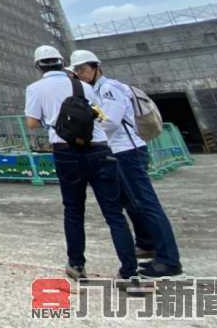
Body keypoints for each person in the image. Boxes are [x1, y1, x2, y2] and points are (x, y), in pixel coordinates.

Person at [24, 45, 142, 292]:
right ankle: (130, 274)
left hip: (66, 151)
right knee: (114, 213)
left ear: (38, 66)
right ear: (61, 63)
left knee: (73, 209)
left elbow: (32, 123)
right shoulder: (84, 87)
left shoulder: (35, 89)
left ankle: (76, 264)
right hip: (98, 148)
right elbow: (100, 116)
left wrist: (53, 121)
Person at [69, 50, 183, 278]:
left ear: (95, 67)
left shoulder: (108, 88)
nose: (80, 74)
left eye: (83, 69)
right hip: (117, 151)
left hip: (128, 151)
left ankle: (169, 260)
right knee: (133, 202)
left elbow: (110, 121)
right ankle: (147, 243)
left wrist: (84, 132)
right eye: (77, 71)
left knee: (147, 203)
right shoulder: (96, 89)